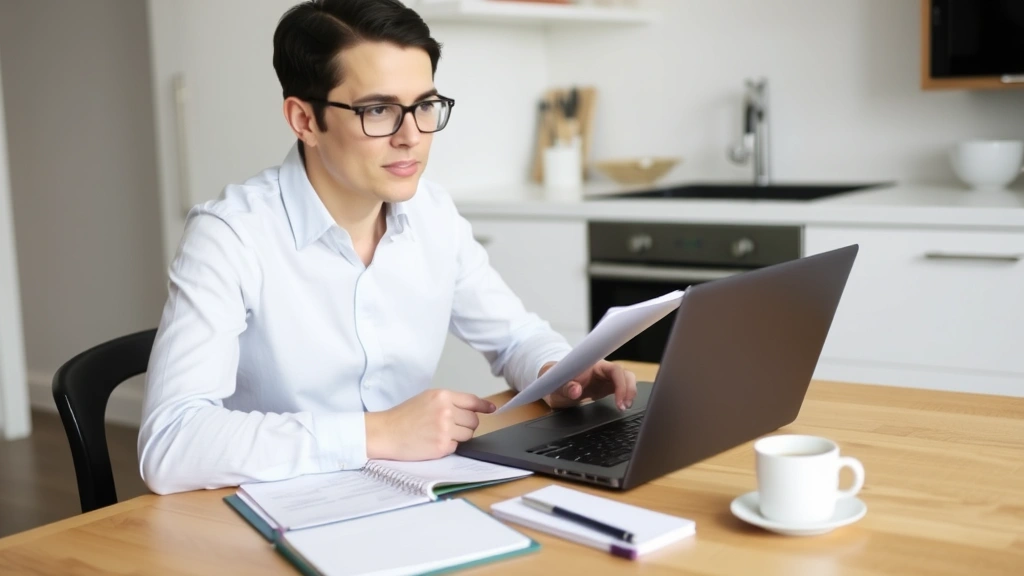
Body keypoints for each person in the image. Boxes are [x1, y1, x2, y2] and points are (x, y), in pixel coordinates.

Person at [138, 0, 637, 495]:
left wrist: (560, 373)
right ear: (304, 120)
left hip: (410, 492)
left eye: (423, 106)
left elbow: (515, 337)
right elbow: (171, 443)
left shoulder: (432, 213)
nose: (411, 137)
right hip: (276, 506)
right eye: (378, 110)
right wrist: (376, 433)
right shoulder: (231, 236)